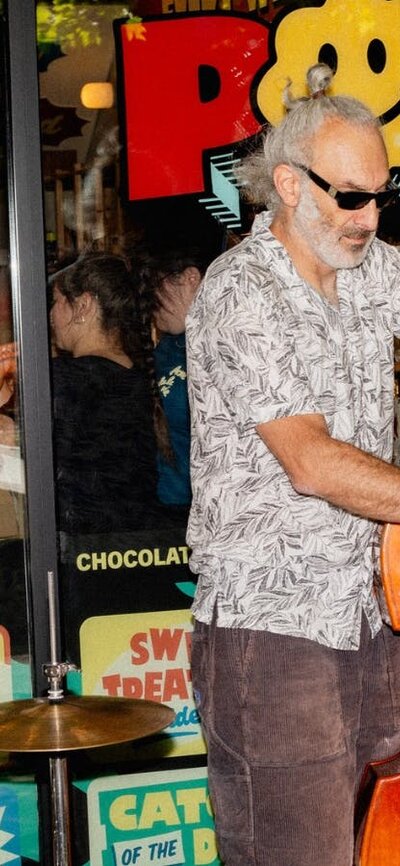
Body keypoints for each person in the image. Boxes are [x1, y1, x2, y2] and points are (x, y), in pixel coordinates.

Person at [186, 63, 400, 866]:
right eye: (350, 196)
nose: (369, 216)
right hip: (273, 636)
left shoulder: (373, 269)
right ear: (288, 183)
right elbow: (310, 463)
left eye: (383, 193)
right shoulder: (242, 293)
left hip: (375, 612)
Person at [50, 251, 166, 535]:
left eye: (56, 302)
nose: (51, 314)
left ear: (83, 306)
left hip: (82, 553)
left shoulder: (71, 380)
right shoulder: (136, 378)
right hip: (125, 548)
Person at [150, 248, 205, 512]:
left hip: (205, 505)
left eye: (155, 290)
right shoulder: (168, 348)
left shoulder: (218, 344)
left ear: (190, 279)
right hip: (167, 505)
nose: (151, 303)